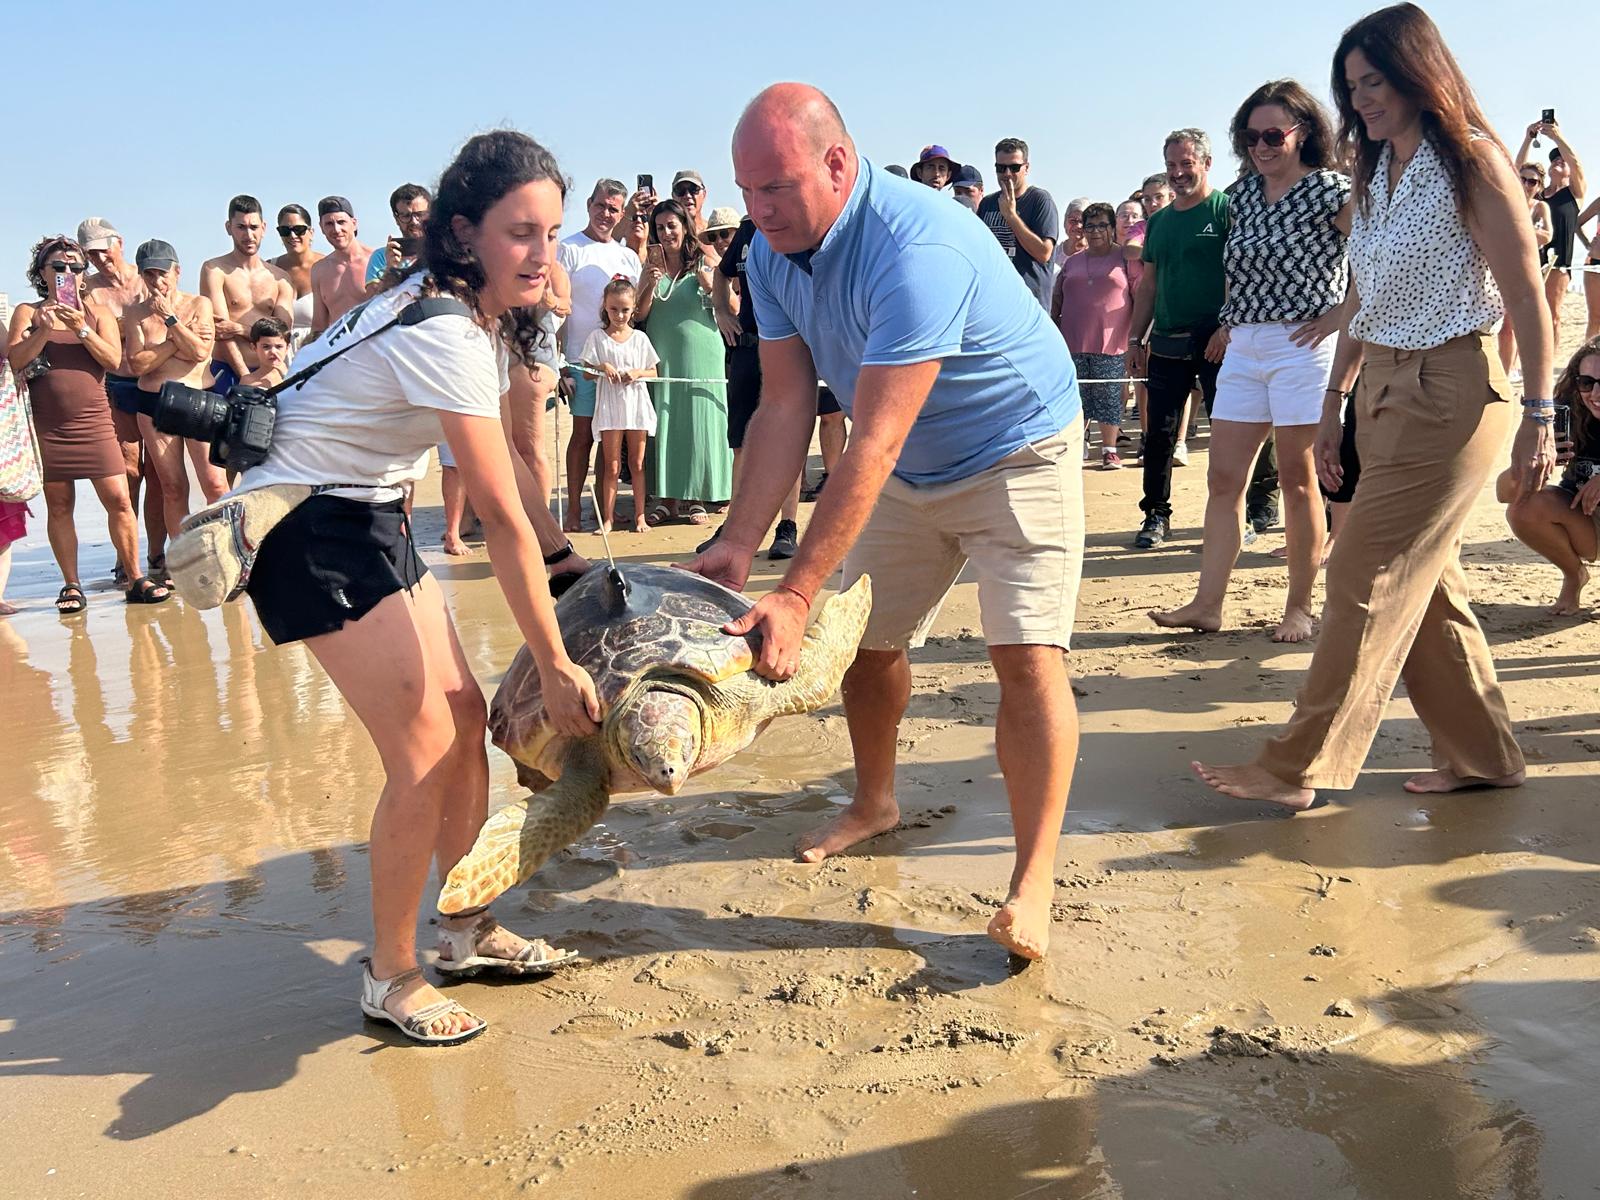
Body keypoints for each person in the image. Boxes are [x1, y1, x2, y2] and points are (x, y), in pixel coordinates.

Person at [691, 84, 1084, 961]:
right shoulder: (768, 253)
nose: (758, 212)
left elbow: (867, 440)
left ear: (838, 164)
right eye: (747, 193)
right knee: (868, 650)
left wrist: (794, 592)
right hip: (908, 467)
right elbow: (788, 407)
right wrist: (738, 541)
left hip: (1018, 444)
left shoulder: (920, 243)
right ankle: (875, 801)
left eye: (776, 189)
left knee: (1024, 655)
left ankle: (1033, 879)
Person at [232, 130, 599, 1046]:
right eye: (521, 234)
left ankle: (466, 928)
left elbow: (517, 472)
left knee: (464, 718)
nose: (542, 257)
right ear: (464, 233)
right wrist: (552, 661)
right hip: (306, 525)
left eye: (552, 235)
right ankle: (391, 973)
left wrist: (563, 559)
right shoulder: (442, 327)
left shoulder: (458, 309)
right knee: (425, 751)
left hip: (368, 512)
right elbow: (496, 515)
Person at [1195, 2, 1554, 810]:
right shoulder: (1373, 170)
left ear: (1420, 74)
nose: (1361, 98)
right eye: (1351, 86)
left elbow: (1528, 295)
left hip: (1456, 390)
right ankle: (1487, 756)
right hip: (1382, 389)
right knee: (1429, 586)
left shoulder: (1475, 162)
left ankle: (1296, 767)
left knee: (1359, 567)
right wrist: (1333, 403)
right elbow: (1362, 294)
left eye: (1376, 80)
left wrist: (1541, 413)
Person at [1152, 80, 1353, 644]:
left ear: (1304, 133)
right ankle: (1207, 603)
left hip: (1304, 348)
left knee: (1297, 480)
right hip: (1243, 345)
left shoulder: (1329, 191)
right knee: (1222, 480)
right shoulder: (1240, 196)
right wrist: (1227, 322)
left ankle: (1298, 608)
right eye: (1251, 135)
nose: (1261, 145)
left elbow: (1375, 252)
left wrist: (1340, 315)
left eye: (1272, 134)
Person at [5, 237, 168, 610]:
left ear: (83, 274)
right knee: (60, 505)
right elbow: (14, 361)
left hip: (94, 422)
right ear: (42, 273)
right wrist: (44, 331)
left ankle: (134, 577)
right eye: (58, 267)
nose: (67, 273)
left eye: (75, 268)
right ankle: (71, 585)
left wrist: (80, 327)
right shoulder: (28, 313)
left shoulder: (97, 312)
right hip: (47, 425)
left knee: (120, 500)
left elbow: (113, 360)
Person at [79, 216, 167, 582]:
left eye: (103, 250)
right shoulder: (89, 291)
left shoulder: (147, 277)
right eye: (91, 253)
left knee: (161, 473)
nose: (100, 259)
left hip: (158, 381)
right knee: (129, 473)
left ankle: (157, 554)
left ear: (120, 243)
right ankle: (125, 555)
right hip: (117, 385)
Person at [709, 212, 801, 559]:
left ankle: (787, 527)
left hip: (790, 348)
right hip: (747, 347)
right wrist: (720, 310)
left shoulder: (800, 223)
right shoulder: (747, 228)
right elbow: (722, 272)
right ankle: (734, 527)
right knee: (742, 443)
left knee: (788, 441)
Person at [634, 197, 731, 525]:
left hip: (703, 350)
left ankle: (698, 496)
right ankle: (666, 498)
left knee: (698, 419)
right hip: (664, 349)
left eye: (671, 226)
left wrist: (708, 282)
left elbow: (726, 304)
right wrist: (648, 279)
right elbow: (640, 313)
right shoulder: (650, 265)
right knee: (666, 417)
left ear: (684, 228)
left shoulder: (704, 260)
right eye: (659, 228)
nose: (665, 233)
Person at [557, 179, 641, 531]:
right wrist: (559, 364)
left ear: (621, 213)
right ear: (589, 204)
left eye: (613, 209)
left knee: (612, 442)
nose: (605, 214)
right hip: (581, 361)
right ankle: (573, 511)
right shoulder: (568, 249)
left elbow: (635, 311)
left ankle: (604, 511)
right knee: (581, 437)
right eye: (601, 206)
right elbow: (556, 311)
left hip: (622, 368)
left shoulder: (628, 256)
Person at [123, 238, 227, 521]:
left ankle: (227, 555)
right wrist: (174, 343)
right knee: (172, 487)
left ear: (177, 272)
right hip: (154, 402)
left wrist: (170, 320)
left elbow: (199, 351)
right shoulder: (135, 314)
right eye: (149, 274)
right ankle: (183, 560)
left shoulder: (198, 304)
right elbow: (137, 364)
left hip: (199, 397)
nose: (157, 281)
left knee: (215, 484)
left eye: (162, 273)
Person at [1499, 336, 1600, 614]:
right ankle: (1573, 575)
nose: (1596, 395)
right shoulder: (1570, 414)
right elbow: (1503, 492)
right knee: (1523, 509)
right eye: (1587, 383)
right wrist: (1537, 458)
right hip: (1587, 520)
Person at [1052, 202, 1139, 467]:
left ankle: (1109, 449)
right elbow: (1057, 297)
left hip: (1112, 341)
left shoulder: (1125, 257)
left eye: (1102, 225)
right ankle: (1079, 443)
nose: (1095, 231)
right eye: (1090, 226)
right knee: (1077, 396)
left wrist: (1137, 337)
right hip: (1073, 340)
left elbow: (1139, 295)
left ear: (1112, 228)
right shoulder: (1072, 261)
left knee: (1109, 395)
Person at [581, 278, 658, 533]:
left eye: (625, 309)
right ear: (605, 307)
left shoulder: (640, 338)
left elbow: (654, 372)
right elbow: (587, 373)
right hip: (610, 407)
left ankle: (640, 517)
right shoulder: (597, 337)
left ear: (634, 309)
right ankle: (608, 518)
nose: (619, 315)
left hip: (636, 406)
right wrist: (602, 367)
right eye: (614, 309)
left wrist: (637, 372)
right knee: (611, 465)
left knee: (637, 463)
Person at [200, 195, 294, 394]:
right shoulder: (214, 270)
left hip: (270, 373)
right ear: (229, 228)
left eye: (254, 227)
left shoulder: (280, 278)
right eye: (241, 227)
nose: (249, 235)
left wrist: (241, 329)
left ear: (264, 228)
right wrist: (244, 375)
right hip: (227, 370)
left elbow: (282, 333)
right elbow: (221, 329)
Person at [1514, 120, 1586, 346]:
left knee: (1552, 314)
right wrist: (1528, 138)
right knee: (1528, 314)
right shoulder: (1538, 195)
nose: (1558, 160)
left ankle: (1552, 361)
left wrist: (1557, 137)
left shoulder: (1574, 194)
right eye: (1553, 158)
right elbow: (1518, 174)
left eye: (1561, 160)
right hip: (1532, 260)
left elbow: (1576, 164)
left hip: (1559, 264)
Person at [979, 138, 1059, 308]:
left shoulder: (1040, 200)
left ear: (1026, 168)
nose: (1007, 173)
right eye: (1001, 168)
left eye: (1014, 167)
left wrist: (1011, 216)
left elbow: (1044, 253)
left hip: (1028, 306)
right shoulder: (987, 203)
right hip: (994, 302)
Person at [1497, 160, 1553, 376]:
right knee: (1502, 326)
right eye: (1524, 179)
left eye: (1533, 182)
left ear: (1539, 187)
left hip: (1528, 267)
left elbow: (1547, 236)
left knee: (1513, 324)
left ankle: (1508, 370)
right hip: (1501, 264)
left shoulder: (1539, 207)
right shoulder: (1505, 200)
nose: (1527, 185)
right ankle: (1504, 369)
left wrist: (1518, 228)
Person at [309, 196, 373, 335]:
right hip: (341, 351)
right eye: (329, 224)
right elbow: (319, 326)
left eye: (341, 222)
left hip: (376, 345)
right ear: (321, 227)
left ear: (354, 223)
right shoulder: (319, 270)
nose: (336, 229)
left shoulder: (375, 260)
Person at [269, 203, 322, 349]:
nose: (292, 236)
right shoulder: (269, 269)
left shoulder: (328, 266)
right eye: (285, 230)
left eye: (299, 229)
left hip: (316, 352)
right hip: (276, 355)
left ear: (311, 232)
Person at [364, 184, 432, 292]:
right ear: (396, 219)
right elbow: (371, 302)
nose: (414, 221)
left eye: (420, 215)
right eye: (406, 216)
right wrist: (390, 270)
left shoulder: (445, 251)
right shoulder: (381, 257)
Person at [238, 316, 291, 389]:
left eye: (279, 347)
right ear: (254, 348)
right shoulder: (248, 381)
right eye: (266, 347)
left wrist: (287, 376)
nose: (273, 351)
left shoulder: (294, 377)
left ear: (287, 348)